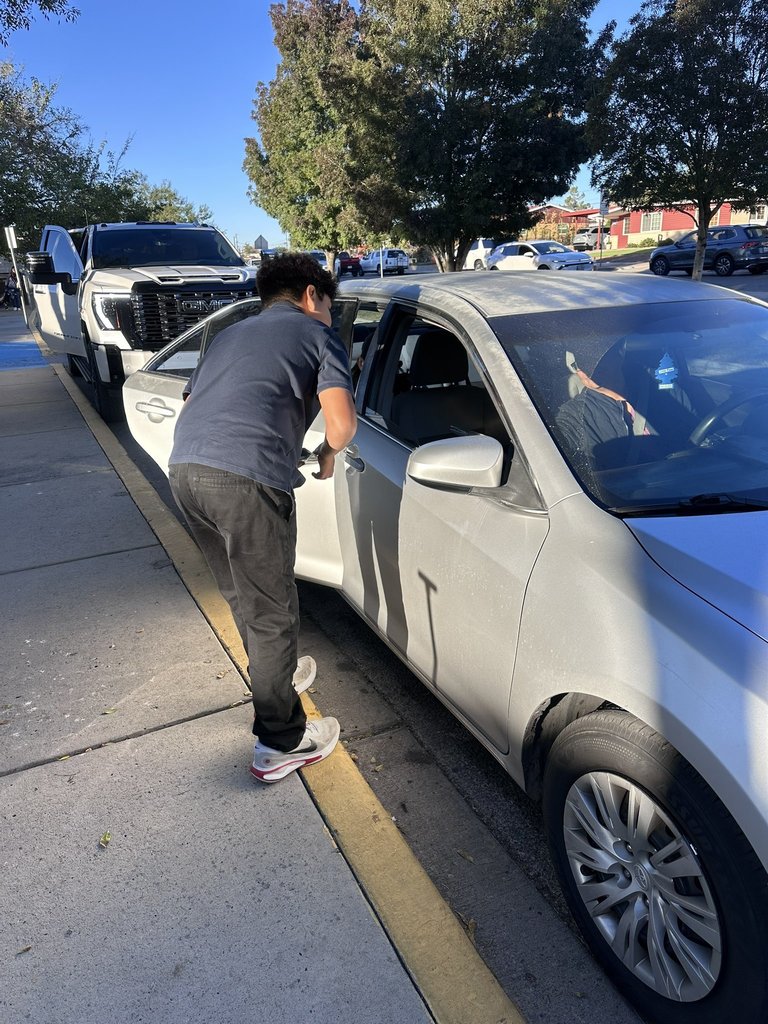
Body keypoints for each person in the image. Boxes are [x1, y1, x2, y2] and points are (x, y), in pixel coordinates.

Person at [168, 252, 357, 783]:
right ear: (311, 294)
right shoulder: (320, 337)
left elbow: (194, 408)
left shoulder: (229, 335)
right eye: (327, 304)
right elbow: (341, 427)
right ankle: (281, 742)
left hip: (185, 471)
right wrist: (325, 454)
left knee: (242, 594)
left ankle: (278, 674)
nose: (327, 314)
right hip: (247, 481)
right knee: (273, 611)